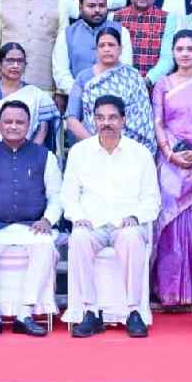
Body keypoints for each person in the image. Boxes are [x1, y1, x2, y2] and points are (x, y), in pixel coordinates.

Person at [63, 95, 157, 338]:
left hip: (125, 223)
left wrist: (136, 217)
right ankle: (90, 312)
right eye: (101, 118)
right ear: (94, 121)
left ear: (123, 120)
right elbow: (69, 196)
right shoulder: (79, 152)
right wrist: (78, 216)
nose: (107, 123)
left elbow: (152, 199)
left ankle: (133, 312)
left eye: (113, 117)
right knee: (79, 238)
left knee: (131, 238)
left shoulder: (140, 153)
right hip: (92, 222)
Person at [0, 100, 62, 338]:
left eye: (20, 122)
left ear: (29, 125)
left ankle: (25, 313)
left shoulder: (45, 156)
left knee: (45, 245)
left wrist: (48, 220)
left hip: (32, 226)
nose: (13, 126)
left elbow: (56, 196)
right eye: (8, 122)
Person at [151, 30, 192, 307]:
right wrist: (169, 153)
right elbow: (158, 122)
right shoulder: (163, 84)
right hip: (169, 161)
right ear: (173, 53)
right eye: (180, 49)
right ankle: (169, 291)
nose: (185, 54)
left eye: (191, 48)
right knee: (168, 223)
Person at [65, 27, 155, 154]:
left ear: (120, 49)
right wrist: (98, 146)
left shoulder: (133, 77)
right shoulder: (83, 77)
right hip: (94, 150)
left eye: (111, 45)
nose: (107, 49)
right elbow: (71, 119)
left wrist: (121, 149)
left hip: (130, 152)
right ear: (96, 50)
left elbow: (144, 121)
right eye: (102, 45)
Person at [0, 43, 59, 152]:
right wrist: (5, 152)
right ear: (0, 64)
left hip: (28, 157)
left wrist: (27, 155)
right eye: (10, 61)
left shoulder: (36, 94)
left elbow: (43, 130)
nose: (15, 65)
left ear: (25, 65)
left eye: (20, 61)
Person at [52, 0, 133, 98]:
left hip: (114, 99)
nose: (97, 10)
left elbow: (126, 69)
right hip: (77, 99)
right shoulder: (67, 34)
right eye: (91, 6)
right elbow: (61, 74)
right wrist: (82, 93)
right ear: (80, 7)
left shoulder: (122, 32)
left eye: (102, 5)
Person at [113, 0, 176, 85]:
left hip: (155, 85)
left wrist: (148, 79)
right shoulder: (115, 18)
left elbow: (167, 58)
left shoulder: (168, 19)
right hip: (120, 84)